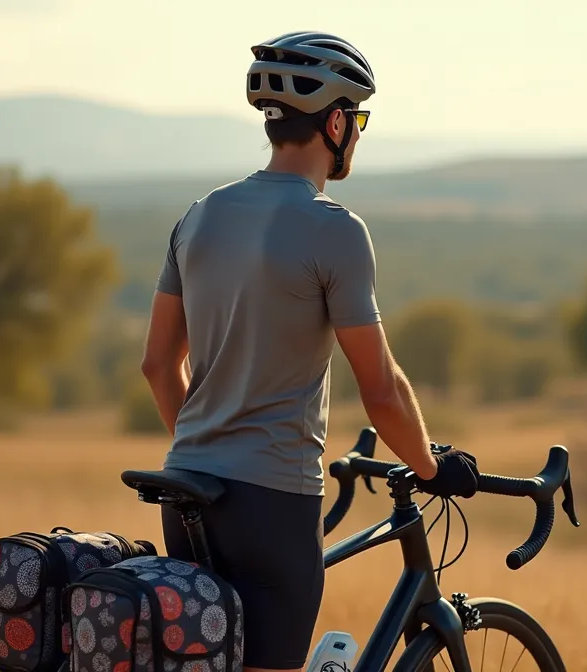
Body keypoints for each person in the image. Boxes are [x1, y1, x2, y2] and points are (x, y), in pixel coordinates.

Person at [139, 31, 480, 672]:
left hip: (185, 490)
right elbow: (381, 387)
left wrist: (204, 448)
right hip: (272, 501)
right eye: (359, 119)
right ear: (334, 121)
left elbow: (158, 365)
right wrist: (433, 468)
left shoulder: (200, 215)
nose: (359, 132)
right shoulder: (335, 229)